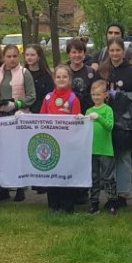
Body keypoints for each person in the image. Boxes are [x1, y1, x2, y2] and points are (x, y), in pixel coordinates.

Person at [100, 37, 132, 211]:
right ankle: (110, 193)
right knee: (107, 158)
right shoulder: (104, 70)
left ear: (123, 52)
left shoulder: (131, 72)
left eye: (118, 50)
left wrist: (121, 95)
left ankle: (123, 193)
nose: (115, 54)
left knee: (124, 157)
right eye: (112, 51)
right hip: (106, 119)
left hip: (125, 122)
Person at [41, 64, 82, 213]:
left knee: (65, 173)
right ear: (54, 79)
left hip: (67, 144)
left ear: (70, 79)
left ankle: (67, 205)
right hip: (51, 143)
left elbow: (77, 123)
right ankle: (53, 204)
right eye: (58, 76)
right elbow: (41, 119)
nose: (61, 79)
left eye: (65, 76)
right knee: (52, 173)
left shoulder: (73, 99)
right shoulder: (48, 97)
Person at [86, 80, 116, 214]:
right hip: (92, 150)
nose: (96, 97)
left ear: (105, 95)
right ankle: (94, 203)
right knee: (94, 178)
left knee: (108, 178)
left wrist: (99, 117)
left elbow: (110, 126)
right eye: (93, 94)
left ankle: (112, 202)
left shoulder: (108, 109)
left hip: (106, 150)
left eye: (98, 94)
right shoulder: (88, 110)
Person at [0, 44, 36, 116]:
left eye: (14, 56)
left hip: (19, 114)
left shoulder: (24, 73)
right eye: (9, 56)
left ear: (19, 57)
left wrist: (16, 104)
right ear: (3, 57)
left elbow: (31, 96)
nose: (12, 59)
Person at [24, 44, 54, 114]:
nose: (29, 57)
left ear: (39, 56)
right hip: (23, 112)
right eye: (27, 55)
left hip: (41, 113)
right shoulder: (22, 74)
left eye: (32, 55)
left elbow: (48, 97)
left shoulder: (47, 76)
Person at [67, 38, 95, 111]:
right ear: (68, 54)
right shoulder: (63, 71)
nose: (77, 55)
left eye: (80, 52)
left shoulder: (91, 72)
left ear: (84, 54)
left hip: (86, 113)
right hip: (66, 113)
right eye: (74, 52)